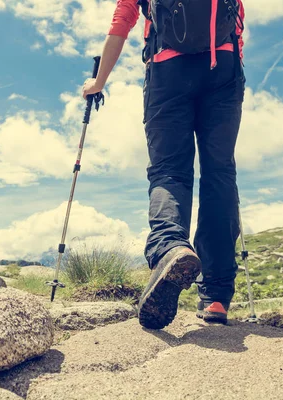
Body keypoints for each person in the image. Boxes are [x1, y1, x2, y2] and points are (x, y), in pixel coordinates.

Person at [82, 0, 245, 329]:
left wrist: (98, 82)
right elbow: (237, 16)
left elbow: (122, 19)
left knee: (169, 170)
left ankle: (170, 247)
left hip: (167, 69)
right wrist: (232, 58)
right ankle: (215, 295)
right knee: (220, 174)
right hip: (224, 67)